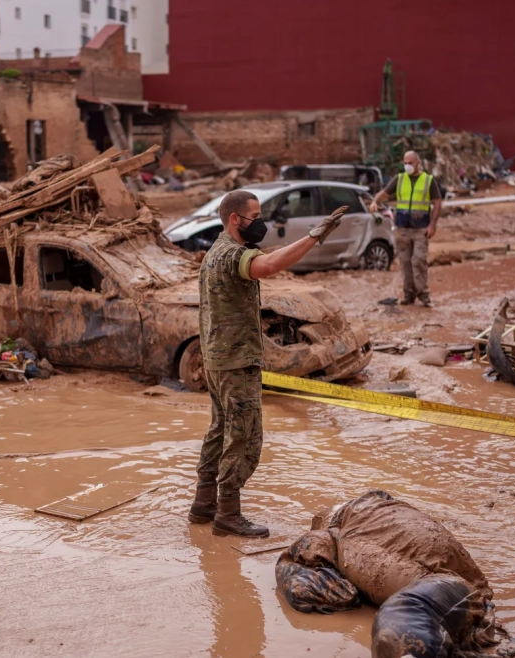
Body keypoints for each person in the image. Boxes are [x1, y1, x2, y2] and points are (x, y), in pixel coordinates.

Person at [188, 190, 346, 538]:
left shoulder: (213, 251)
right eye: (255, 215)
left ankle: (203, 506)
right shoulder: (232, 255)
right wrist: (313, 236)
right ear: (235, 219)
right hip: (236, 361)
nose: (260, 222)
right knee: (243, 436)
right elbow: (270, 265)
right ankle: (228, 513)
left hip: (217, 359)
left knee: (219, 430)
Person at [371, 150, 444, 307]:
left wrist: (433, 224)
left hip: (421, 229)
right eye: (405, 163)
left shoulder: (428, 180)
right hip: (402, 228)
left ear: (418, 163)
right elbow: (384, 193)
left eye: (410, 163)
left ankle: (423, 294)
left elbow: (437, 202)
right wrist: (375, 201)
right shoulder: (399, 179)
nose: (407, 166)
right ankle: (408, 294)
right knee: (405, 262)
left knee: (419, 260)